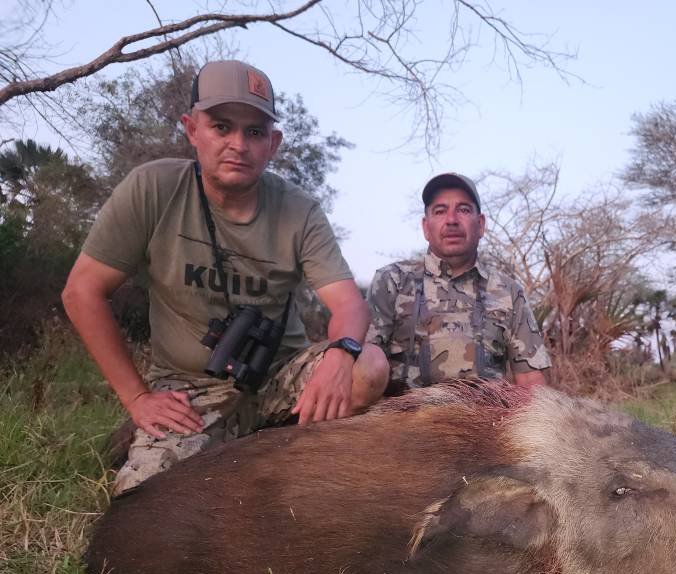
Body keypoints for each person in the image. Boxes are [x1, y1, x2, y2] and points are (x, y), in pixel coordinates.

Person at [62, 60, 388, 494]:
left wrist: (339, 356)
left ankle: (289, 452)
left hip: (279, 380)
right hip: (190, 389)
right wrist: (137, 398)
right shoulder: (152, 188)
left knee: (369, 364)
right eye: (221, 126)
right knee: (143, 499)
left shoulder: (299, 209)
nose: (238, 144)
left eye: (255, 132)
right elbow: (82, 291)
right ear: (191, 129)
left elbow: (348, 303)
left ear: (273, 144)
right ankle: (180, 444)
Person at [366, 173, 551, 392]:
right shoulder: (391, 281)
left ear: (480, 225)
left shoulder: (508, 291)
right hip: (400, 421)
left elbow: (531, 381)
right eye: (440, 211)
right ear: (426, 227)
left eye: (463, 210)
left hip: (483, 422)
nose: (452, 220)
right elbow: (364, 366)